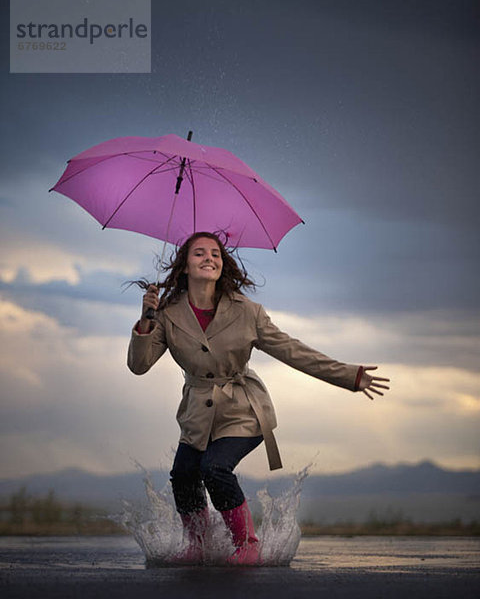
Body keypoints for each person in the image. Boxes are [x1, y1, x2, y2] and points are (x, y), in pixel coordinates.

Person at [127, 232, 390, 565]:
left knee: (215, 468)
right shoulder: (167, 313)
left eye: (216, 254)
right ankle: (199, 544)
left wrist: (348, 376)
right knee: (183, 474)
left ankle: (247, 543)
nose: (209, 258)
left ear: (223, 266)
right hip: (197, 414)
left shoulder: (247, 312)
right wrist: (147, 318)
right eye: (199, 254)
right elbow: (139, 366)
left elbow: (293, 350)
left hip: (243, 411)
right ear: (184, 266)